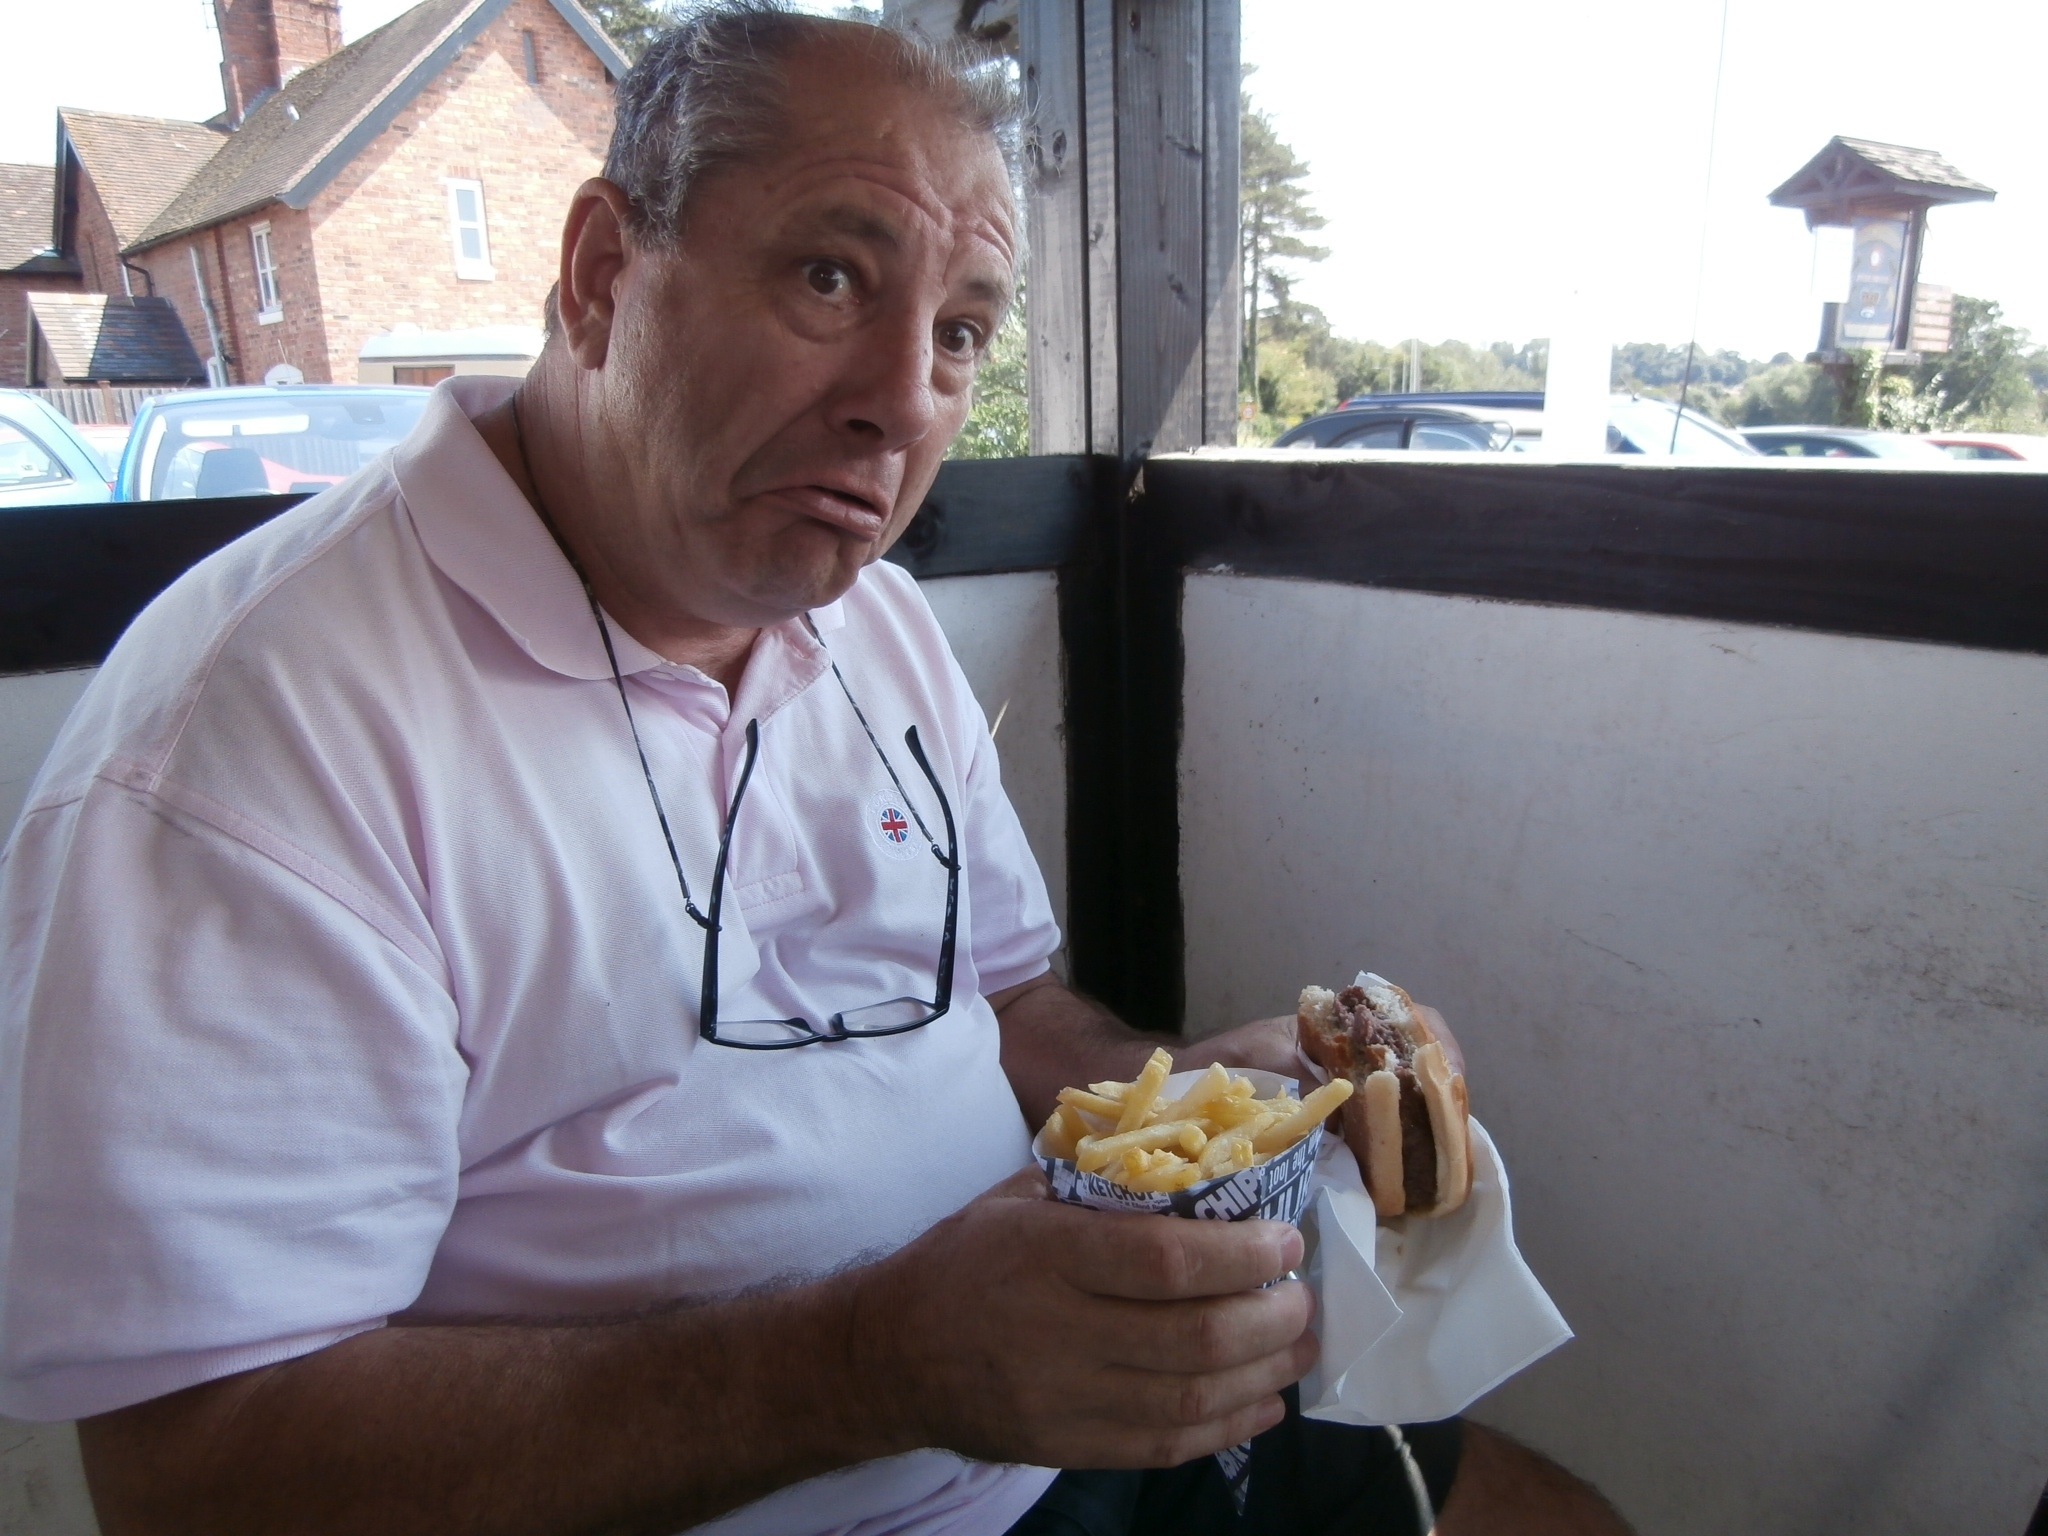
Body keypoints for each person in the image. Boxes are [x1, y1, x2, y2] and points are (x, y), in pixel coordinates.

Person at [0, 7, 1631, 1533]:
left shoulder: (878, 629)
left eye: (962, 332)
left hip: (1061, 1442)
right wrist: (874, 1367)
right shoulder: (249, 739)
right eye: (833, 278)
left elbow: (1006, 1009)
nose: (901, 405)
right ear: (599, 275)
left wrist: (1205, 1092)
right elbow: (197, 1474)